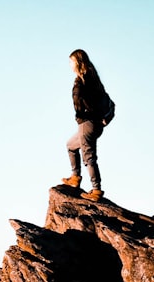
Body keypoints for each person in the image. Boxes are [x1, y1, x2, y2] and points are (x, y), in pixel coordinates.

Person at [61, 49, 111, 201]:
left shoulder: (81, 81)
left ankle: (96, 190)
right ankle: (75, 177)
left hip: (87, 124)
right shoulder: (94, 79)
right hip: (96, 124)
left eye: (71, 61)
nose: (69, 64)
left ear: (77, 62)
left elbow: (78, 102)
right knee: (70, 145)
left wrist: (81, 115)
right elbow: (106, 99)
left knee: (89, 157)